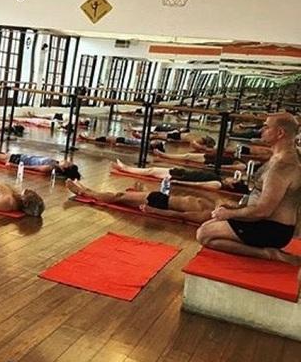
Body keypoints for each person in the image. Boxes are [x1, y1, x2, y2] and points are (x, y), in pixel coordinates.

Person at [197, 113, 301, 264]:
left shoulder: (283, 166)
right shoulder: (283, 156)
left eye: (266, 127)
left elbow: (263, 210)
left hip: (270, 229)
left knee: (204, 234)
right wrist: (232, 210)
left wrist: (230, 213)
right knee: (209, 224)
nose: (261, 130)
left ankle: (268, 254)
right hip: (268, 223)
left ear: (280, 133)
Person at [66, 179, 217, 224]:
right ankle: (88, 190)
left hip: (158, 203)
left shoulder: (206, 215)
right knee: (119, 196)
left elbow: (180, 216)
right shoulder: (214, 207)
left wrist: (154, 211)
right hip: (162, 197)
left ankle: (83, 192)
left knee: (118, 197)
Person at [111, 159, 249, 193]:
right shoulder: (220, 179)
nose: (232, 177)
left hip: (180, 176)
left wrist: (177, 182)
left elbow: (197, 184)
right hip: (181, 172)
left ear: (231, 184)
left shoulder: (218, 184)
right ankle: (126, 168)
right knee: (151, 170)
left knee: (151, 171)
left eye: (234, 180)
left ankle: (125, 168)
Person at [0, 147, 81, 180]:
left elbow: (34, 168)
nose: (67, 160)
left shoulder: (50, 167)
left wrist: (15, 166)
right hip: (22, 157)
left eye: (68, 163)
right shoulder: (55, 163)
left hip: (19, 160)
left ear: (65, 169)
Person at [152, 149, 247, 170]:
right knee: (187, 156)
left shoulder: (243, 165)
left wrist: (216, 166)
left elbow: (232, 166)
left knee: (186, 160)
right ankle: (164, 156)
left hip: (211, 161)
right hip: (210, 157)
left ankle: (163, 157)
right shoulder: (237, 159)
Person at [79, 133, 166, 152]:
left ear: (155, 145)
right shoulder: (147, 143)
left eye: (157, 142)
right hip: (124, 139)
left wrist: (120, 146)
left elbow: (134, 147)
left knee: (105, 139)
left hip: (124, 141)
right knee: (105, 139)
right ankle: (89, 138)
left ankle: (88, 139)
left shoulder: (147, 145)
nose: (156, 140)